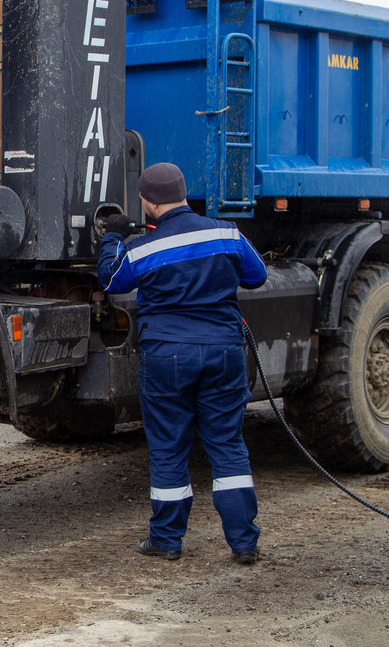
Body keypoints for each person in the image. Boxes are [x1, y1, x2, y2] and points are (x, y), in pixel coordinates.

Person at [98, 162, 268, 564]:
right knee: (227, 445)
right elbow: (257, 275)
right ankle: (244, 543)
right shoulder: (226, 232)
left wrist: (112, 237)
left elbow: (110, 280)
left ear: (147, 201)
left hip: (167, 359)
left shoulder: (143, 249)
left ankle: (167, 541)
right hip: (224, 353)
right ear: (184, 193)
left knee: (169, 447)